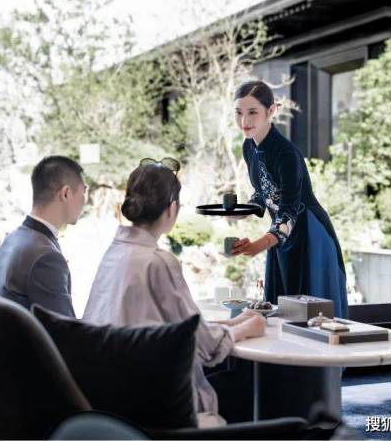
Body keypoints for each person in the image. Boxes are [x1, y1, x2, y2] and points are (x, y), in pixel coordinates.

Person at [83, 159, 266, 418]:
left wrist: (234, 323)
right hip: (155, 403)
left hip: (109, 397)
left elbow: (179, 328)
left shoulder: (114, 253)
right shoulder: (157, 262)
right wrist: (247, 328)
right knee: (250, 384)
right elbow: (205, 346)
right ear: (172, 209)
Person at [231, 80, 348, 318]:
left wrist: (259, 245)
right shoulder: (249, 146)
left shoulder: (286, 153)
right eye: (239, 113)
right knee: (281, 310)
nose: (244, 121)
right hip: (280, 234)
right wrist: (243, 211)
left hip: (308, 231)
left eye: (252, 112)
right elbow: (262, 192)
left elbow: (289, 209)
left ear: (271, 111)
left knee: (308, 316)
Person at [0, 155, 88, 317]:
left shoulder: (13, 238)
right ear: (65, 193)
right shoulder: (46, 257)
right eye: (84, 191)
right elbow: (64, 328)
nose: (85, 200)